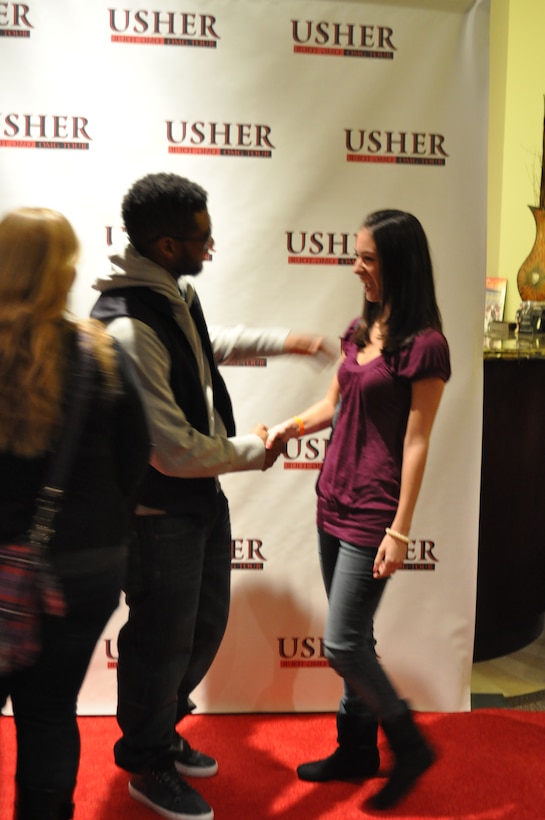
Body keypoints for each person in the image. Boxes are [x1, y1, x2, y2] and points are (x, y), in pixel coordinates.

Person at [90, 172, 335, 820]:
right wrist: (255, 449)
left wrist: (281, 341)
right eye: (201, 237)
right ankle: (145, 761)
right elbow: (169, 449)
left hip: (194, 499)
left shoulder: (166, 292)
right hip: (156, 511)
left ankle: (161, 731)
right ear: (167, 245)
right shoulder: (127, 327)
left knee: (202, 627)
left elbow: (205, 344)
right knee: (159, 642)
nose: (212, 245)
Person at [266, 209, 451, 811]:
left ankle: (411, 746)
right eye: (357, 255)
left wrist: (400, 528)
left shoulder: (426, 346)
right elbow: (332, 403)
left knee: (343, 644)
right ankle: (357, 751)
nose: (357, 267)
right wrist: (287, 429)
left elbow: (418, 440)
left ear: (398, 262)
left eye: (367, 258)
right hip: (332, 497)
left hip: (375, 510)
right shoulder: (359, 327)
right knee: (359, 638)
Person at [0, 208, 150, 820]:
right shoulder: (99, 353)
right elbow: (135, 459)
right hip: (86, 569)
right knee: (48, 712)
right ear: (63, 271)